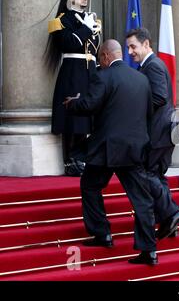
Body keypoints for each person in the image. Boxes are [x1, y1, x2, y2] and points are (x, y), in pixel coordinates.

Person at [64, 40, 158, 266]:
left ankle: (102, 233)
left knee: (90, 185)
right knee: (142, 200)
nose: (100, 62)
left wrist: (72, 104)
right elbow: (149, 113)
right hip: (133, 149)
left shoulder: (103, 76)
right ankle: (149, 251)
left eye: (100, 58)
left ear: (105, 57)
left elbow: (90, 105)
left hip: (107, 149)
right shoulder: (141, 78)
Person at [126, 28, 179, 240]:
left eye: (133, 46)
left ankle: (172, 213)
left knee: (148, 174)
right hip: (164, 130)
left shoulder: (152, 66)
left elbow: (160, 98)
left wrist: (135, 112)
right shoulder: (151, 65)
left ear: (146, 44)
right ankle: (170, 222)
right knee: (157, 177)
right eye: (128, 48)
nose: (130, 52)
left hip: (159, 131)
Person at [45, 0, 102, 177]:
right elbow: (69, 44)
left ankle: (83, 157)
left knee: (87, 116)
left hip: (89, 71)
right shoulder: (62, 20)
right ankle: (70, 161)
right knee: (72, 118)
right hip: (73, 71)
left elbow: (94, 50)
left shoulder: (92, 19)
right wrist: (85, 28)